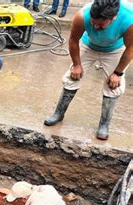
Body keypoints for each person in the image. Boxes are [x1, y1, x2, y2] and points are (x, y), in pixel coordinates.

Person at [44, 0, 133, 140]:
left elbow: (131, 49)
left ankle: (104, 124)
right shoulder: (82, 15)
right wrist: (77, 65)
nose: (96, 27)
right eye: (94, 23)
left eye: (101, 25)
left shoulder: (129, 19)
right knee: (71, 78)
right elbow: (73, 40)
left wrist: (118, 73)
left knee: (114, 85)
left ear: (113, 18)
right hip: (89, 45)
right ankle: (58, 114)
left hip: (115, 50)